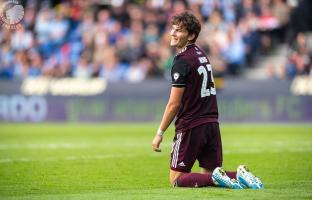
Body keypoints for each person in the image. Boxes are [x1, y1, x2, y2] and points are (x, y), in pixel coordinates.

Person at [151, 11, 264, 189]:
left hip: (190, 125)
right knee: (210, 173)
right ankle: (240, 174)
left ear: (191, 35)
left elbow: (174, 104)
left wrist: (159, 133)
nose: (173, 33)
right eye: (173, 29)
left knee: (176, 179)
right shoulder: (201, 54)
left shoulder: (182, 60)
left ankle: (218, 178)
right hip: (211, 123)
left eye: (179, 30)